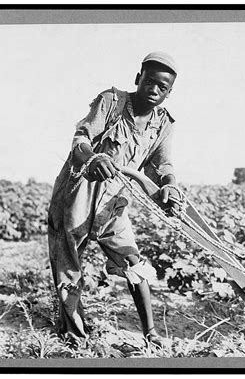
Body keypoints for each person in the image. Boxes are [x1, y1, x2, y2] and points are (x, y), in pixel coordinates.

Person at [47, 52, 180, 346]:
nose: (154, 90)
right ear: (138, 78)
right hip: (79, 188)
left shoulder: (163, 124)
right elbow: (80, 139)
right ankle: (73, 337)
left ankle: (151, 333)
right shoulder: (111, 101)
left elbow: (162, 164)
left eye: (163, 88)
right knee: (68, 264)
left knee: (133, 261)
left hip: (114, 200)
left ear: (169, 93)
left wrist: (170, 185)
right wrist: (92, 157)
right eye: (150, 82)